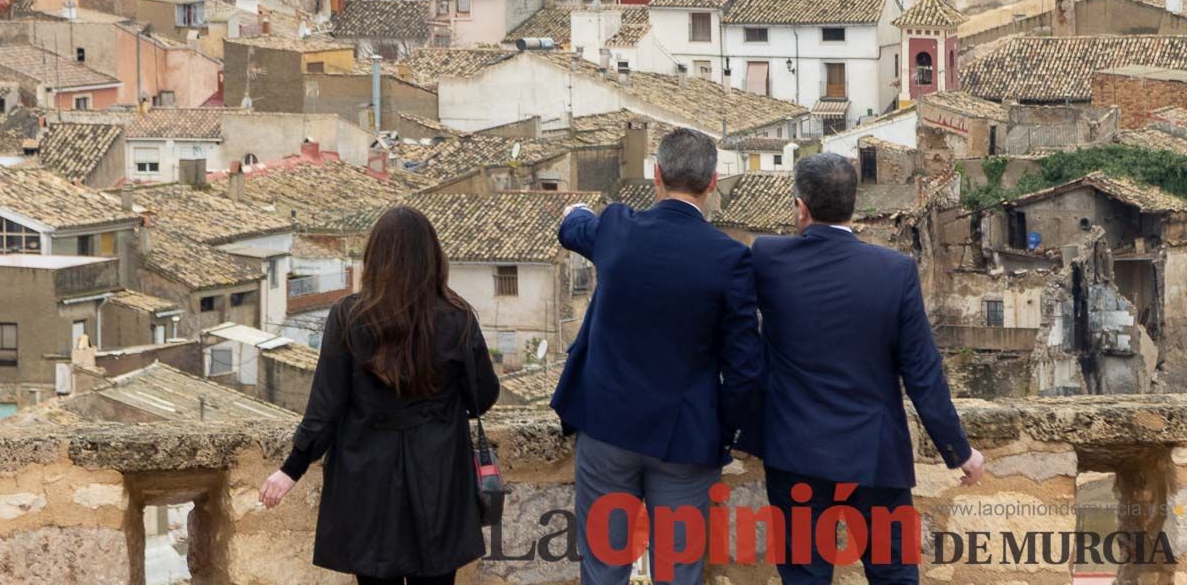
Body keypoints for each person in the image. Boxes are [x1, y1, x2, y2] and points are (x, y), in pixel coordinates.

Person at [747, 152, 984, 584]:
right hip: (876, 452)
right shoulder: (894, 272)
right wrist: (959, 451)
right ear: (854, 202)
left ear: (801, 206)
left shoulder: (768, 258)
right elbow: (922, 373)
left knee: (804, 576)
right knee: (893, 574)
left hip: (796, 451)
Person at [552, 127, 763, 585]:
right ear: (713, 183)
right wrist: (721, 431)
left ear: (656, 175)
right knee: (677, 573)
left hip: (607, 428)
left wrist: (577, 210)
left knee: (603, 568)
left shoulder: (619, 230)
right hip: (686, 441)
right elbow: (745, 368)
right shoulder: (730, 259)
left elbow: (572, 227)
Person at [258, 206, 500, 585]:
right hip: (438, 478)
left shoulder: (348, 317)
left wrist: (292, 469)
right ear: (432, 257)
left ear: (375, 257)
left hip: (367, 481)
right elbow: (482, 396)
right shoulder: (457, 317)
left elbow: (325, 408)